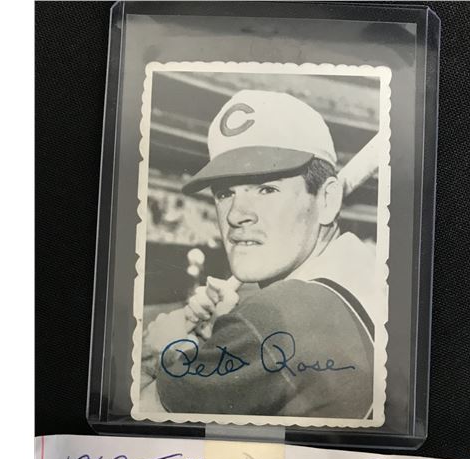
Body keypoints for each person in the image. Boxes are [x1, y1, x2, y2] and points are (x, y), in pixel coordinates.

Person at [139, 89, 378, 419]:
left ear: (327, 200)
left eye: (267, 189)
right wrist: (223, 333)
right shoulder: (365, 272)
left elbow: (136, 424)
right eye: (225, 193)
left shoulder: (272, 318)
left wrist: (160, 353)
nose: (236, 215)